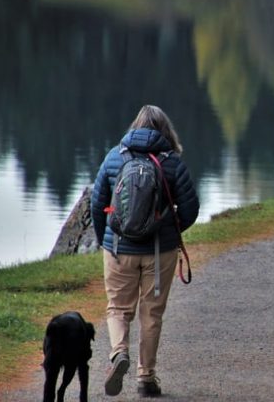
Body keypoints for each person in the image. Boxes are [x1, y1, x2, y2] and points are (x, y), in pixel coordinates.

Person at [91, 105, 199, 397]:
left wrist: (106, 240)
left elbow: (96, 204)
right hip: (158, 252)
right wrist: (169, 234)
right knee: (151, 314)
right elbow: (190, 209)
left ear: (134, 126)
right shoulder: (172, 163)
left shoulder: (115, 157)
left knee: (117, 308)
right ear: (166, 130)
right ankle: (146, 378)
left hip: (118, 249)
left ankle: (118, 352)